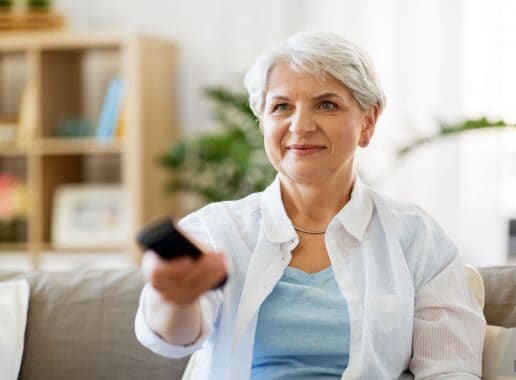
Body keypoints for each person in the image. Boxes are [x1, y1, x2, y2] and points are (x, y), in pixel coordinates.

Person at [135, 31, 485, 379]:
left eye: (326, 104)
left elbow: (450, 369)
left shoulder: (415, 236)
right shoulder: (215, 229)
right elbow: (173, 340)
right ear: (263, 123)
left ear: (368, 122)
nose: (300, 126)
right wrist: (177, 300)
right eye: (282, 107)